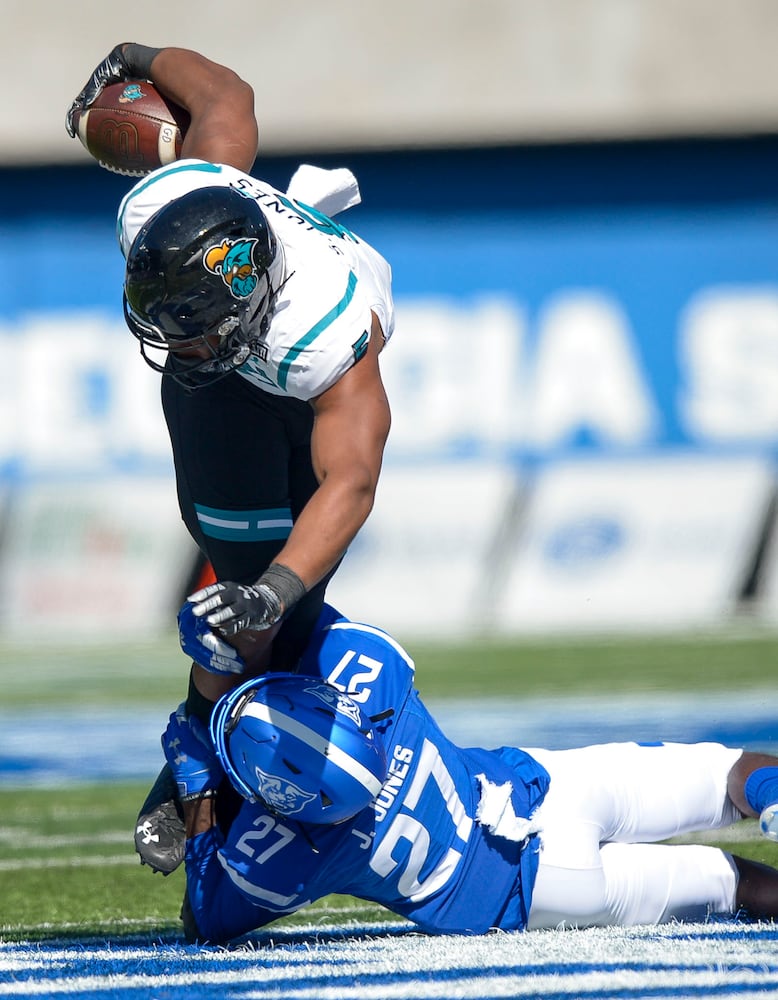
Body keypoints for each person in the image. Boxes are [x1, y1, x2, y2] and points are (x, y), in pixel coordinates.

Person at [65, 43, 395, 873]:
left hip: (295, 388)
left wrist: (280, 586)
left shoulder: (322, 332)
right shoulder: (164, 203)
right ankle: (205, 742)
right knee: (246, 598)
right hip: (224, 395)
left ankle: (199, 746)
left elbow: (350, 481)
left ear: (250, 304)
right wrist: (137, 56)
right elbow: (227, 95)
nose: (173, 338)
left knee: (287, 595)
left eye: (192, 321)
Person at [164, 601, 778, 943]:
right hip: (545, 790)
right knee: (732, 774)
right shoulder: (375, 678)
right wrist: (235, 629)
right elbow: (292, 614)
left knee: (735, 884)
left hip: (541, 893)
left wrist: (195, 786)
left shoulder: (285, 853)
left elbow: (204, 917)